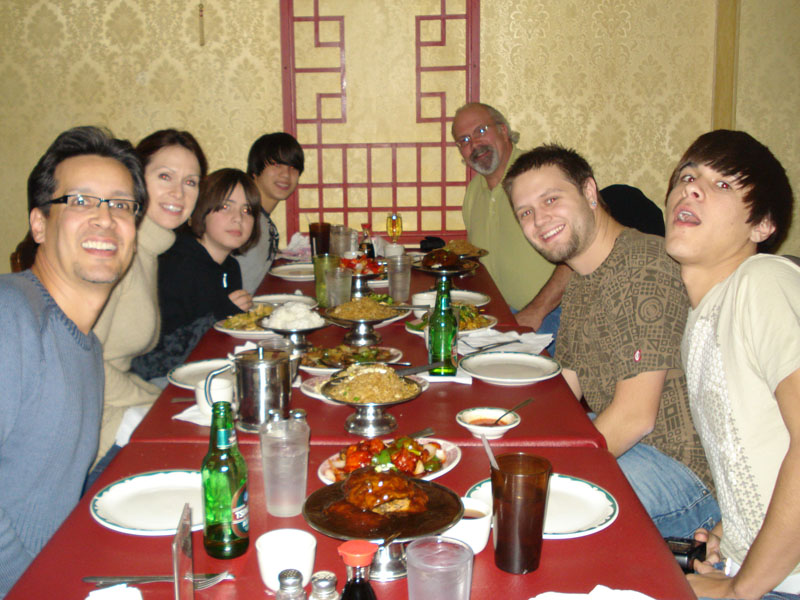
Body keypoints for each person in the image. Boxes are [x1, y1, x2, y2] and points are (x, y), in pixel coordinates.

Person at [504, 143, 718, 537]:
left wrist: (536, 473)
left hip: (681, 472)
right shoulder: (582, 277)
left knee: (525, 510)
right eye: (525, 213)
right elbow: (565, 388)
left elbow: (635, 417)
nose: (539, 220)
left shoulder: (644, 265)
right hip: (627, 444)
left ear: (589, 192)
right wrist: (505, 428)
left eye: (551, 199)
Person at [0, 126, 141, 596]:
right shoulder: (11, 315)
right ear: (39, 224)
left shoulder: (85, 346)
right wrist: (40, 587)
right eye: (80, 201)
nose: (105, 219)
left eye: (121, 205)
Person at [664, 130, 800, 600]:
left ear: (761, 225)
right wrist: (730, 530)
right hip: (756, 566)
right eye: (687, 176)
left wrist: (741, 590)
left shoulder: (761, 282)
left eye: (722, 184)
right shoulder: (702, 319)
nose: (692, 188)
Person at [91, 129, 207, 472]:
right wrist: (159, 402)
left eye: (190, 182)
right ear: (135, 179)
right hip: (98, 437)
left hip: (119, 410)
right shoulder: (114, 253)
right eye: (165, 176)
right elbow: (84, 368)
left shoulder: (149, 249)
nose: (178, 193)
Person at [451, 103, 571, 337]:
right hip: (497, 316)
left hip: (551, 314)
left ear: (503, 130)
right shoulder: (474, 190)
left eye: (480, 131)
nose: (474, 144)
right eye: (464, 140)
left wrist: (536, 312)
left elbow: (576, 255)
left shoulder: (539, 176)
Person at [135, 168, 260, 378]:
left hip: (212, 369)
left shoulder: (230, 266)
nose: (238, 218)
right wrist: (222, 314)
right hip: (164, 381)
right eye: (225, 207)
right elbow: (154, 358)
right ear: (201, 210)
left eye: (247, 210)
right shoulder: (176, 265)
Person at [236, 132, 304, 294]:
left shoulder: (264, 222)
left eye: (293, 167)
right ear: (255, 170)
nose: (286, 174)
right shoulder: (241, 218)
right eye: (276, 164)